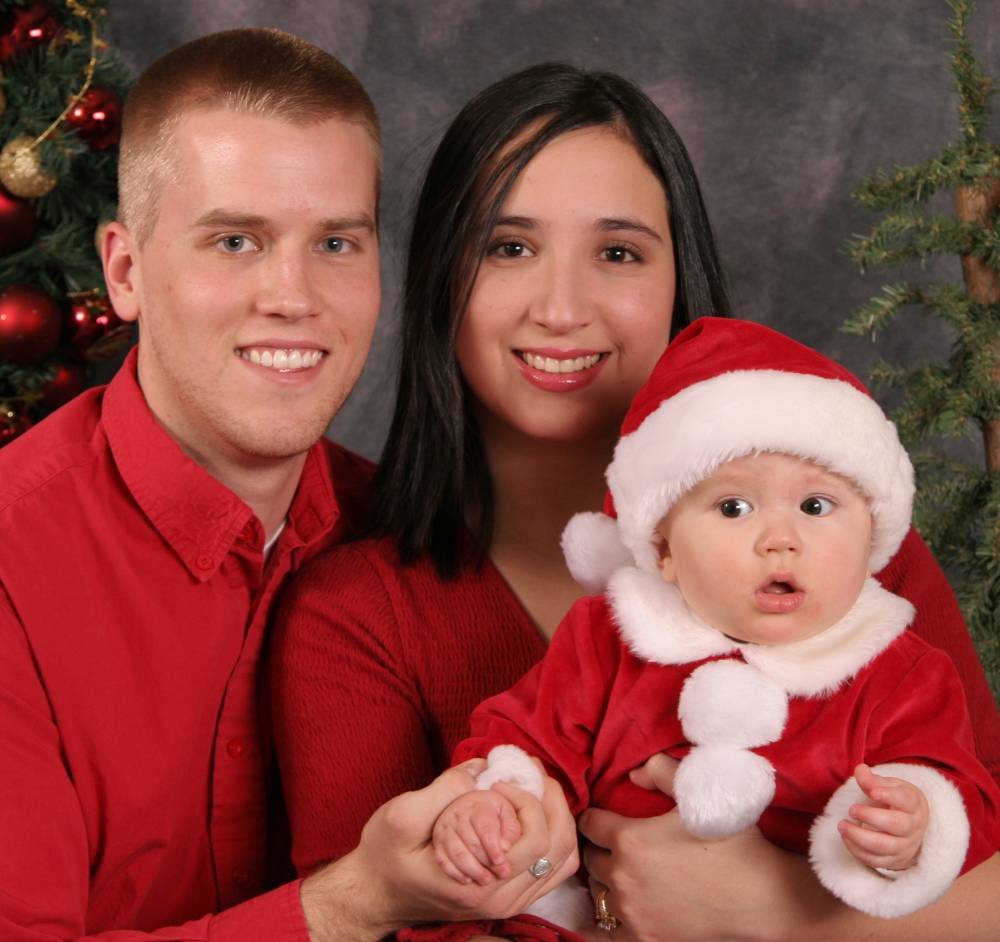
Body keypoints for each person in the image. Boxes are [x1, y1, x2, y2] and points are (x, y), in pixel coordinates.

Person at [269, 63, 1000, 941]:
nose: (561, 309)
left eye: (618, 253)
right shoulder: (358, 615)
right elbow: (369, 920)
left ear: (677, 281)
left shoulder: (836, 549)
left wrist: (780, 919)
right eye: (509, 248)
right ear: (440, 281)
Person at [0, 29, 576, 941]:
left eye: (337, 242)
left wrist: (541, 850)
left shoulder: (411, 538)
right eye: (235, 240)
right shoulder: (13, 565)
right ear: (125, 272)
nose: (294, 296)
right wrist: (357, 902)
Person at [434, 318, 1000, 936]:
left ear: (871, 542)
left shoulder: (902, 673)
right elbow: (528, 741)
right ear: (664, 551)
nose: (780, 539)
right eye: (734, 507)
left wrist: (914, 824)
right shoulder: (608, 640)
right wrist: (501, 801)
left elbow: (961, 792)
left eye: (816, 506)